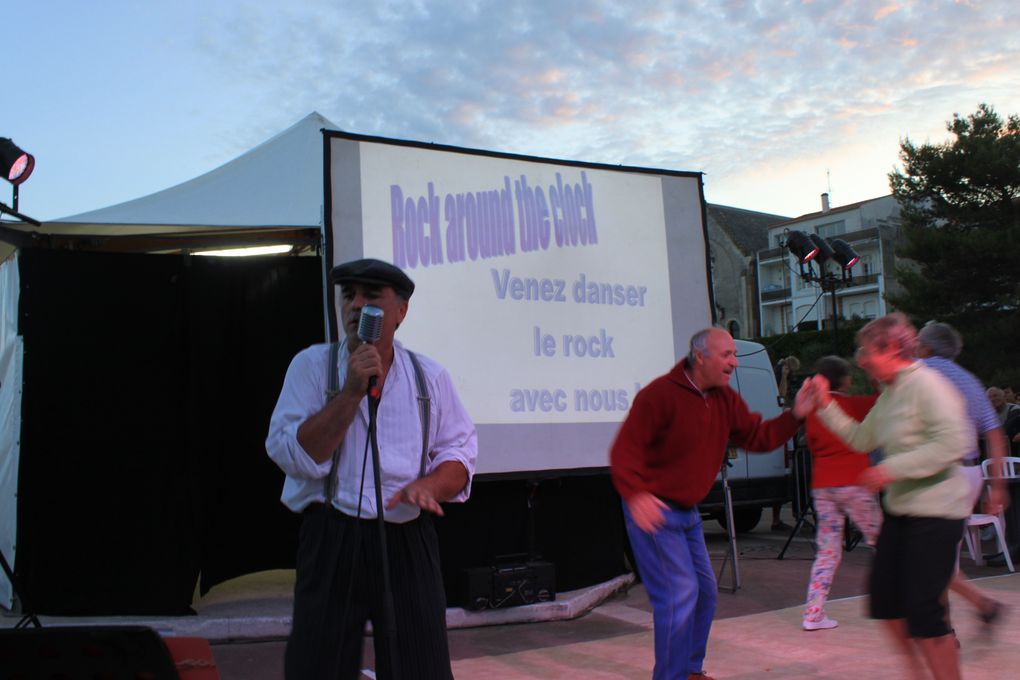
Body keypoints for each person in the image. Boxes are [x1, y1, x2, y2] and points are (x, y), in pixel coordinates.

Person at [266, 258, 478, 680]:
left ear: (400, 311)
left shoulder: (429, 377)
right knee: (317, 667)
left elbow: (460, 454)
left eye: (371, 296)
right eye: (349, 296)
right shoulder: (311, 367)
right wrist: (349, 393)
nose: (356, 305)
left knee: (420, 666)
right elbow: (289, 453)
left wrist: (431, 486)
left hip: (406, 538)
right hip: (333, 534)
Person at [610, 328, 809, 680]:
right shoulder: (660, 395)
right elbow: (625, 452)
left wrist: (795, 415)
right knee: (679, 594)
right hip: (653, 510)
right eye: (727, 354)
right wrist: (637, 495)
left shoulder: (724, 399)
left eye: (734, 354)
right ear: (700, 356)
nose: (734, 361)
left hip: (687, 512)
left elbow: (758, 436)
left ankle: (689, 670)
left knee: (703, 592)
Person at [799, 313, 974, 680]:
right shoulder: (891, 392)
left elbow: (955, 442)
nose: (860, 361)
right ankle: (917, 674)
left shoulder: (928, 385)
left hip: (937, 513)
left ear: (892, 348)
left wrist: (892, 469)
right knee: (886, 602)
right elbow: (863, 439)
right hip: (901, 512)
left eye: (866, 352)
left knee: (926, 613)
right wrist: (824, 405)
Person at [916, 322, 1009, 629]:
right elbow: (994, 434)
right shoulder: (970, 381)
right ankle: (977, 609)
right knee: (942, 557)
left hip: (935, 475)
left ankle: (947, 627)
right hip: (967, 473)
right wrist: (997, 486)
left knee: (927, 559)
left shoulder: (916, 372)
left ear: (926, 347)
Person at [801, 356, 881, 631]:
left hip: (823, 485)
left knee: (828, 550)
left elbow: (811, 444)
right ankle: (907, 602)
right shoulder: (855, 405)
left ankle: (813, 613)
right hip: (854, 482)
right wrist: (873, 376)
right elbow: (882, 402)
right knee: (883, 541)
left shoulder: (813, 410)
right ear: (845, 380)